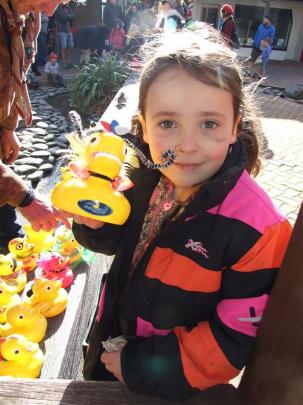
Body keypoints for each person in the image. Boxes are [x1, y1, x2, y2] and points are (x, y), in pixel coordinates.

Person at [68, 27, 292, 400]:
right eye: (168, 123)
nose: (187, 146)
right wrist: (94, 220)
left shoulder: (258, 229)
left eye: (209, 124)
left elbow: (233, 338)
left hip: (176, 385)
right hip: (110, 341)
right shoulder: (140, 177)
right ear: (143, 127)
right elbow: (116, 243)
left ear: (235, 127)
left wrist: (137, 365)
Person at [0, 0, 73, 254]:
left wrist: (8, 127)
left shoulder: (30, 14)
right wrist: (25, 197)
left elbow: (15, 76)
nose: (51, 11)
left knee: (8, 231)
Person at [55, 3, 75, 68]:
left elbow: (73, 17)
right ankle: (64, 62)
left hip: (69, 30)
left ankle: (68, 61)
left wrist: (68, 16)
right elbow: (63, 17)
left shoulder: (68, 7)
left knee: (70, 46)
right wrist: (69, 16)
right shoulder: (58, 7)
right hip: (62, 30)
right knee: (63, 47)